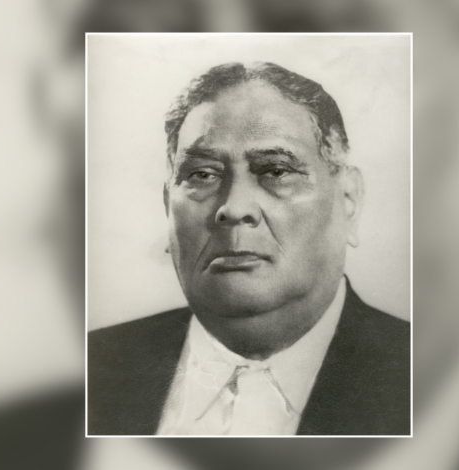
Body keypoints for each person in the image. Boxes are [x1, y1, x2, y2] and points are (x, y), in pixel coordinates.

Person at [87, 62, 411, 436]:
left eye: (276, 171)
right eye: (202, 175)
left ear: (348, 201)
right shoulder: (93, 367)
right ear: (167, 207)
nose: (234, 208)